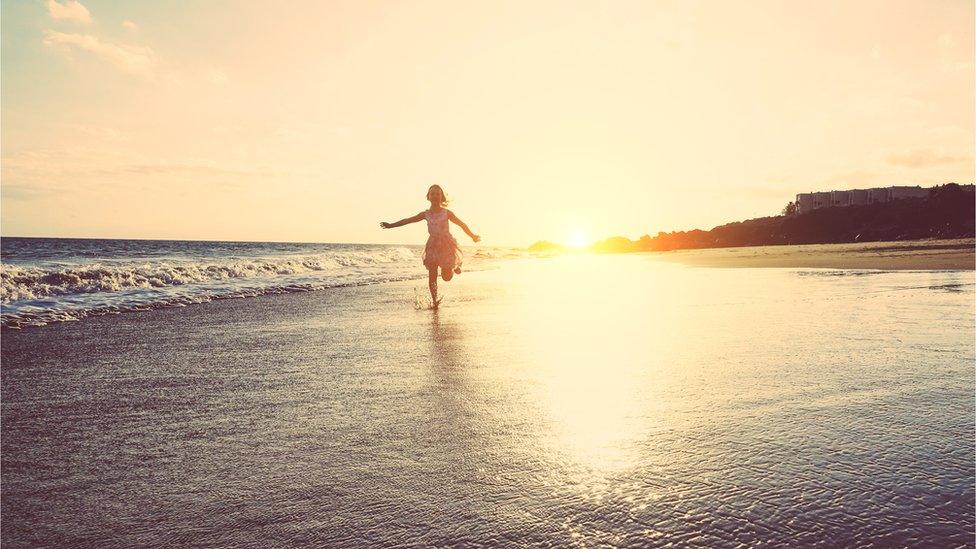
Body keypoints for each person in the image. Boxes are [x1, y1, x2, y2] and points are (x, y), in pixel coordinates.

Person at [380, 185, 480, 308]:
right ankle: (434, 300)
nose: (435, 196)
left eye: (438, 193)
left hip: (446, 245)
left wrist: (472, 236)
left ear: (442, 197)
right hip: (432, 246)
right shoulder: (425, 214)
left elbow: (461, 224)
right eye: (432, 193)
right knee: (432, 273)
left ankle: (454, 267)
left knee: (446, 277)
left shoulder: (447, 213)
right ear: (428, 197)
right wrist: (391, 225)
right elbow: (407, 220)